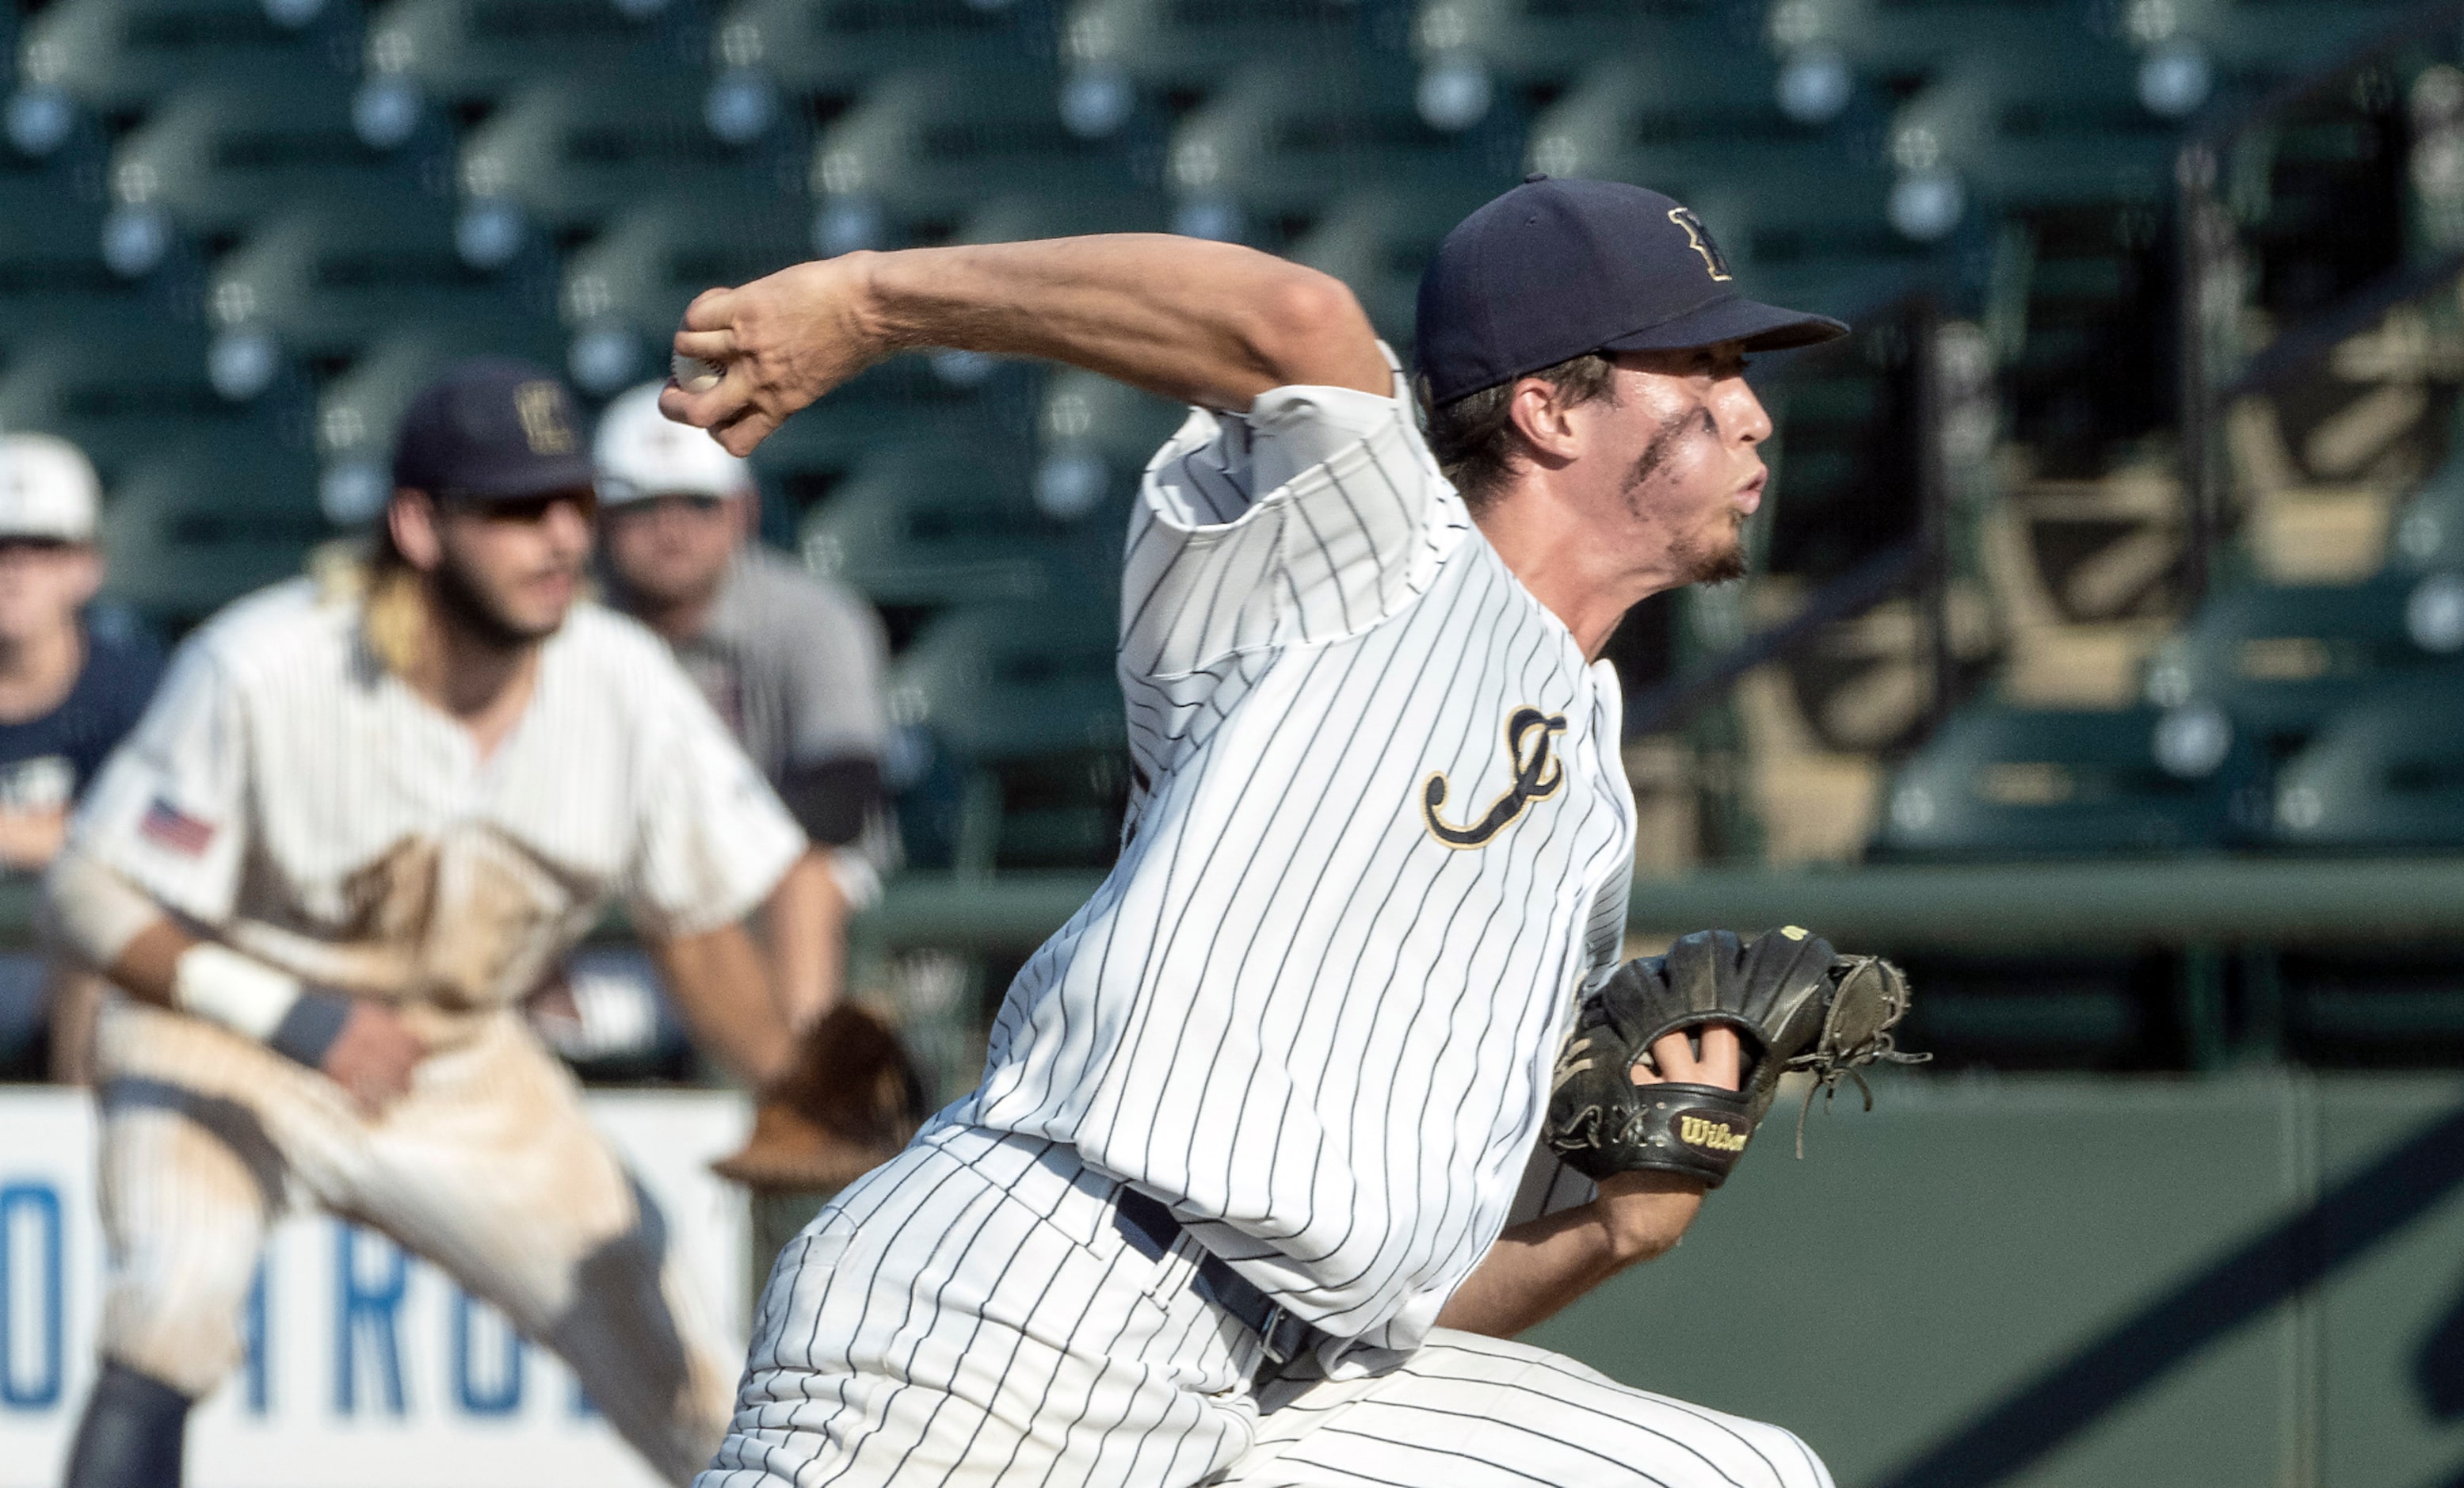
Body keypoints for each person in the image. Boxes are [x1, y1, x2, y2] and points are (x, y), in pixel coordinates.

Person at [667, 176, 1849, 1488]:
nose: (1749, 411)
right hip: (1020, 1302)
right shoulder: (1373, 550)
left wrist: (1610, 1231)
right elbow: (1291, 316)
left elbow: (1396, 1296)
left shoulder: (1591, 792)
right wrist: (868, 302)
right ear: (1547, 405)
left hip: (1270, 1375)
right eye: (1702, 365)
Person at [44, 358, 813, 1486]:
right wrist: (296, 1017)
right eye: (512, 508)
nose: (558, 536)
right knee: (170, 1297)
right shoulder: (273, 659)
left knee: (683, 1370)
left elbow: (700, 919)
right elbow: (87, 890)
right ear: (417, 523)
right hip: (231, 1033)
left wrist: (800, 1090)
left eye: (573, 502)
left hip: (454, 1056)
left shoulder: (621, 681)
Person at [590, 381, 893, 1032]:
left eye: (696, 504)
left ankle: (802, 1105)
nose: (670, 528)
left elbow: (843, 795)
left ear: (742, 510)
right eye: (642, 505)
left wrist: (706, 851)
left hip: (781, 896)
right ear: (601, 519)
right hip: (628, 900)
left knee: (803, 874)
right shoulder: (571, 626)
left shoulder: (812, 616)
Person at [0, 433, 163, 1082]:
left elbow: (150, 844)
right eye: (0, 548)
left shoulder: (137, 689)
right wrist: (60, 831)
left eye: (43, 547)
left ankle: (88, 1157)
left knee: (102, 936)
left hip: (70, 960)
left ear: (85, 565)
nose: (15, 569)